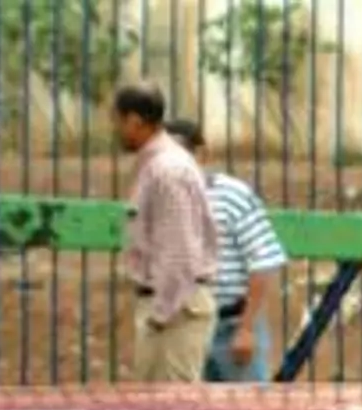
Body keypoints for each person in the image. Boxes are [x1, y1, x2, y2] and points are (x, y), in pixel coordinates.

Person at [163, 118, 287, 384]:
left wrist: (246, 328)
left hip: (231, 325)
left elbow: (262, 262)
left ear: (201, 154)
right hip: (186, 329)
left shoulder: (233, 196)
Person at [112, 85, 219, 383]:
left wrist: (160, 315)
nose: (116, 130)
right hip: (170, 308)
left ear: (134, 121)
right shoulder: (159, 166)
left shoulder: (167, 170)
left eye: (118, 121)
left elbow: (180, 252)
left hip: (175, 311)